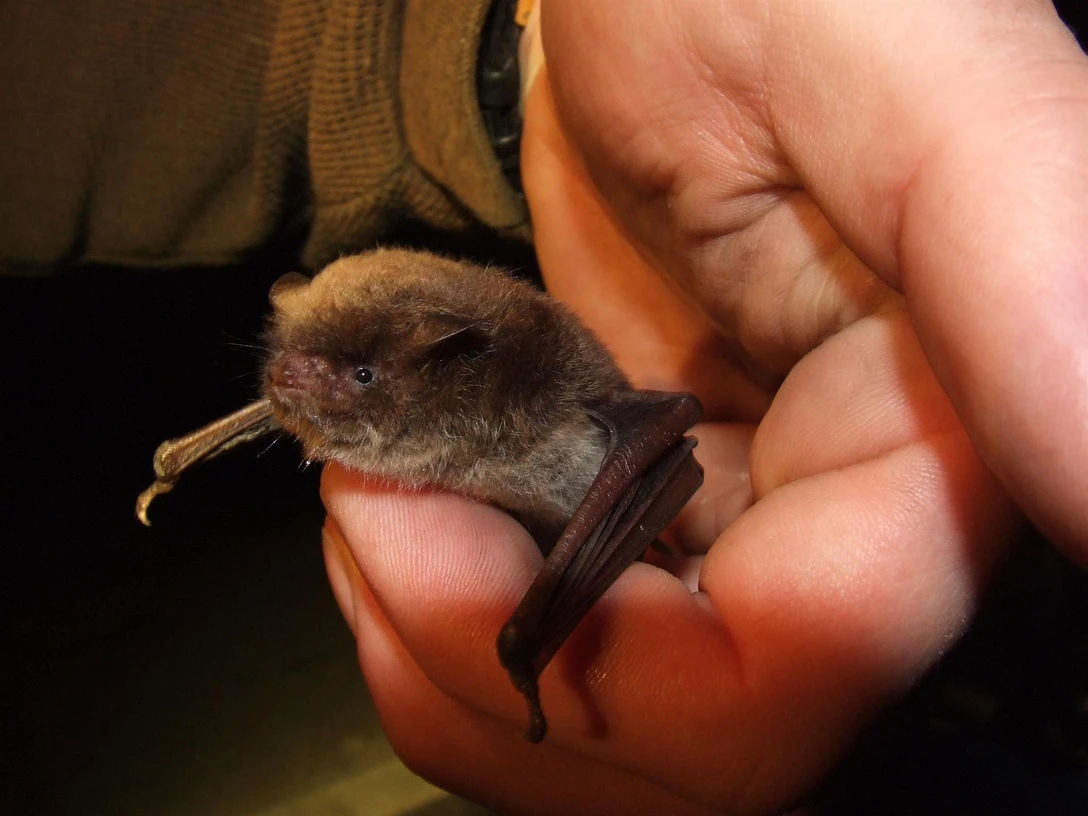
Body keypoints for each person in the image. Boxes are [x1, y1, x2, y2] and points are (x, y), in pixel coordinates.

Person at [3, 0, 1085, 813]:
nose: (298, 388)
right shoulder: (370, 376)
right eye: (298, 364)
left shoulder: (489, 395)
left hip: (585, 442)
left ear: (439, 367)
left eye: (353, 376)